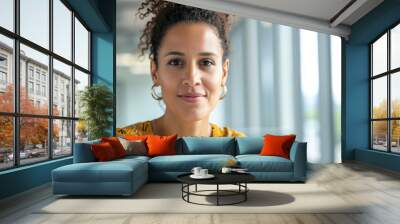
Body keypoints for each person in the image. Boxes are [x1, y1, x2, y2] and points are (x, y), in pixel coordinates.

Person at [116, 0, 244, 137]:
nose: (192, 78)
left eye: (206, 62)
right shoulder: (120, 144)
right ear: (155, 72)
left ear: (224, 73)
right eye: (176, 62)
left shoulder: (243, 149)